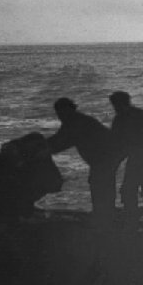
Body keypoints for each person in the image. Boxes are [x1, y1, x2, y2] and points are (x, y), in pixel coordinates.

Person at [47, 97, 118, 227]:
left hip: (105, 155)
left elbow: (64, 141)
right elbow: (59, 138)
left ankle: (104, 216)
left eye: (61, 112)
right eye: (58, 113)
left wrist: (46, 149)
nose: (59, 116)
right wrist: (43, 145)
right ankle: (105, 213)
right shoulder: (71, 121)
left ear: (69, 110)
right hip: (103, 157)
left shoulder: (77, 122)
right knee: (99, 182)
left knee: (100, 183)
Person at [109, 91, 143, 230]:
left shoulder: (123, 119)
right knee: (142, 189)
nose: (115, 107)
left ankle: (136, 220)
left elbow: (121, 143)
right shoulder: (140, 115)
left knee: (135, 189)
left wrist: (114, 162)